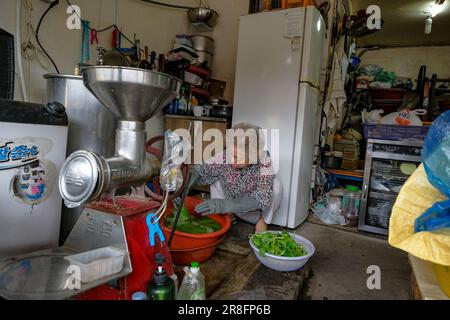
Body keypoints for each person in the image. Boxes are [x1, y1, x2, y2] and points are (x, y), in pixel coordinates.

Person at [182, 123, 283, 233]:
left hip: (253, 213)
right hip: (229, 208)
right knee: (215, 173)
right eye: (230, 153)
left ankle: (263, 221)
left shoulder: (264, 161)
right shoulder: (227, 155)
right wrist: (186, 185)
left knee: (276, 186)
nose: (230, 158)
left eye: (236, 156)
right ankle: (226, 216)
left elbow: (261, 198)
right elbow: (202, 170)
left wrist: (223, 205)